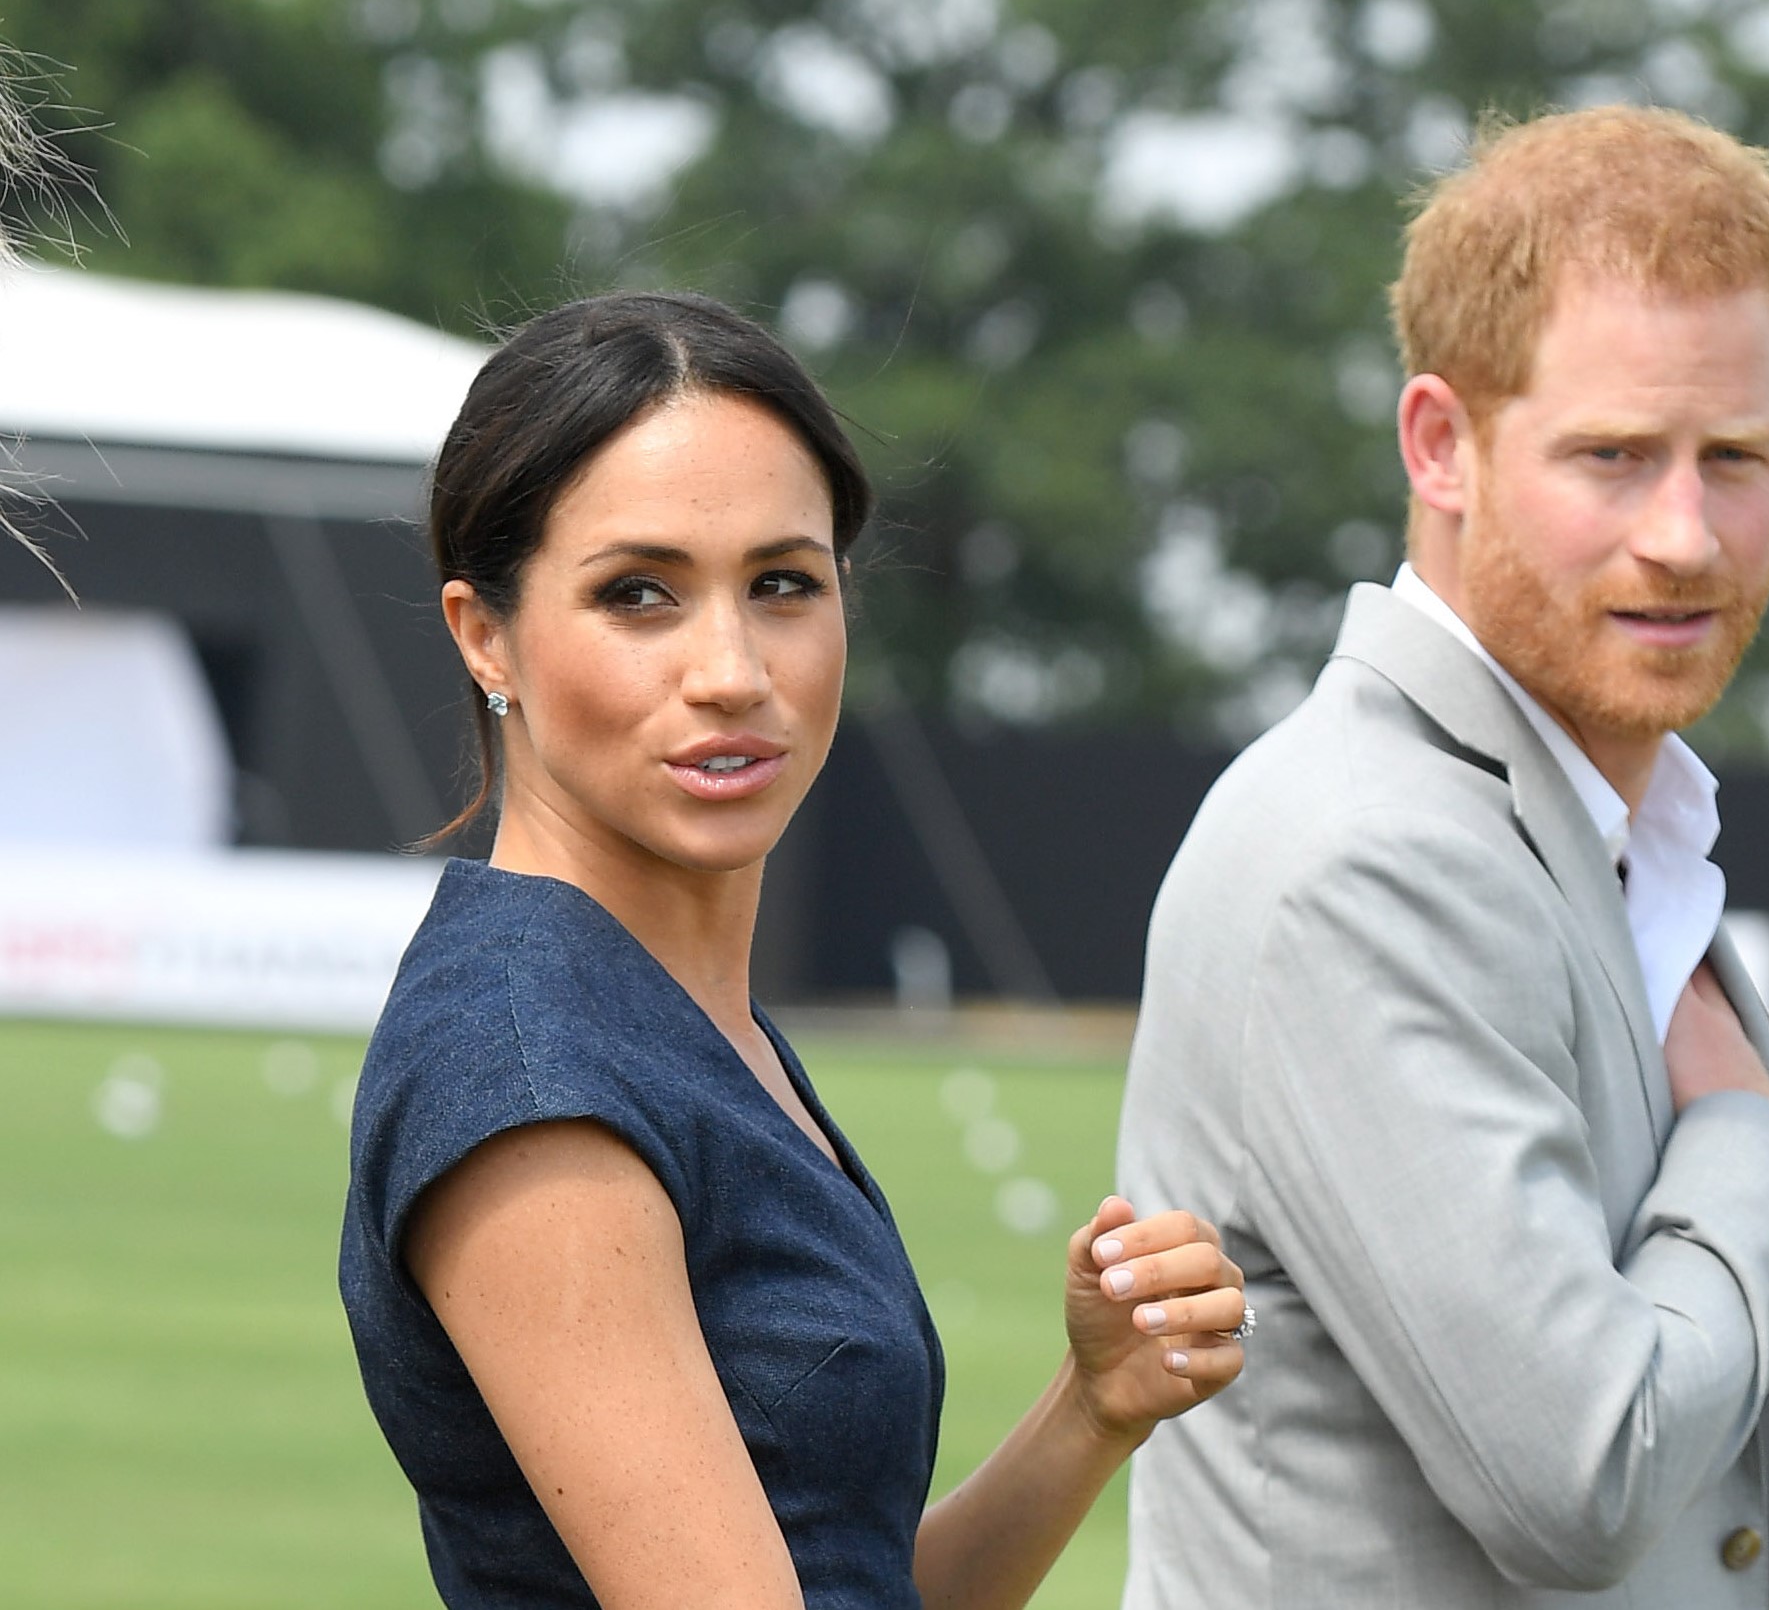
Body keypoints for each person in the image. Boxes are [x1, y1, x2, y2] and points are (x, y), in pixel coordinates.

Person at [339, 291, 1249, 1610]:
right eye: (638, 594)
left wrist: (1091, 1409)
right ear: (488, 636)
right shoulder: (535, 1079)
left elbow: (852, 1581)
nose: (731, 669)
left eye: (781, 585)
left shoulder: (666, 1012)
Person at [1115, 106, 1769, 1607]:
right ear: (1441, 442)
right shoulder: (1368, 856)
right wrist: (1754, 1154)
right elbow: (1583, 1478)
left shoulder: (1610, 826)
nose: (1682, 534)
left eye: (1730, 457)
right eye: (1610, 456)